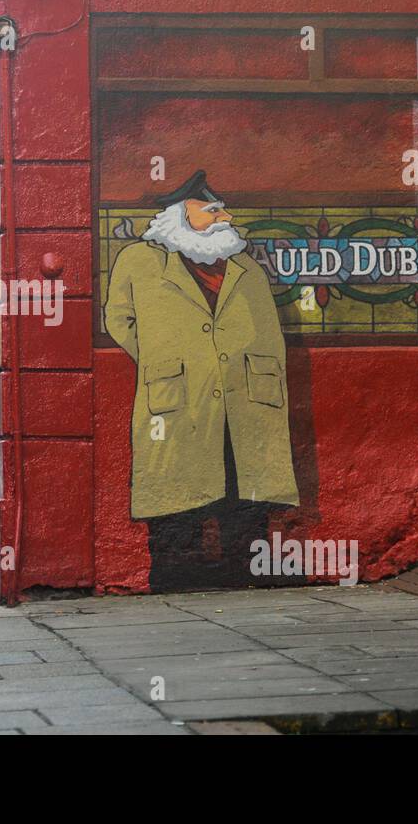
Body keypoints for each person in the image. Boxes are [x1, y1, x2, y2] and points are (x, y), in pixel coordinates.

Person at [103, 170, 300, 591]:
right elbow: (119, 320)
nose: (224, 216)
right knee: (177, 490)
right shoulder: (139, 260)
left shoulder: (244, 266)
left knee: (243, 488)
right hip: (177, 396)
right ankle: (176, 575)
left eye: (222, 208)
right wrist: (166, 359)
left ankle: (245, 572)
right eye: (212, 209)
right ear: (181, 213)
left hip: (244, 396)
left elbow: (265, 328)